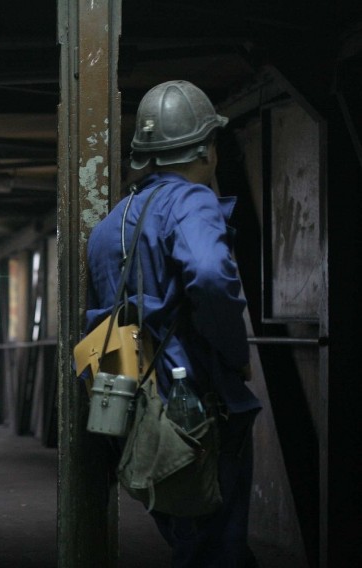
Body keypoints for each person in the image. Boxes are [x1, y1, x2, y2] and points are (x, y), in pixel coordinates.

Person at [85, 80, 262, 566]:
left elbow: (107, 318)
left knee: (190, 532)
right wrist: (234, 354)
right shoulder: (191, 200)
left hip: (135, 405)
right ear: (207, 148)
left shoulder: (110, 224)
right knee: (215, 541)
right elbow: (208, 274)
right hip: (197, 401)